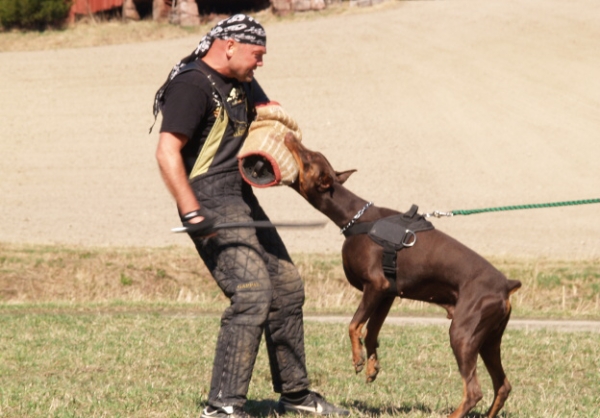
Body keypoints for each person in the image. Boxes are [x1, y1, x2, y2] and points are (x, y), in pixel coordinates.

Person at [152, 14, 350, 418]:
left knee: (288, 287)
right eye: (257, 54)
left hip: (239, 197)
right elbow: (166, 151)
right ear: (228, 46)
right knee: (252, 293)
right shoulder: (192, 84)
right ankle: (222, 407)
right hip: (207, 199)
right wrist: (191, 211)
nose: (260, 63)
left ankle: (295, 395)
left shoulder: (240, 79)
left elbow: (269, 114)